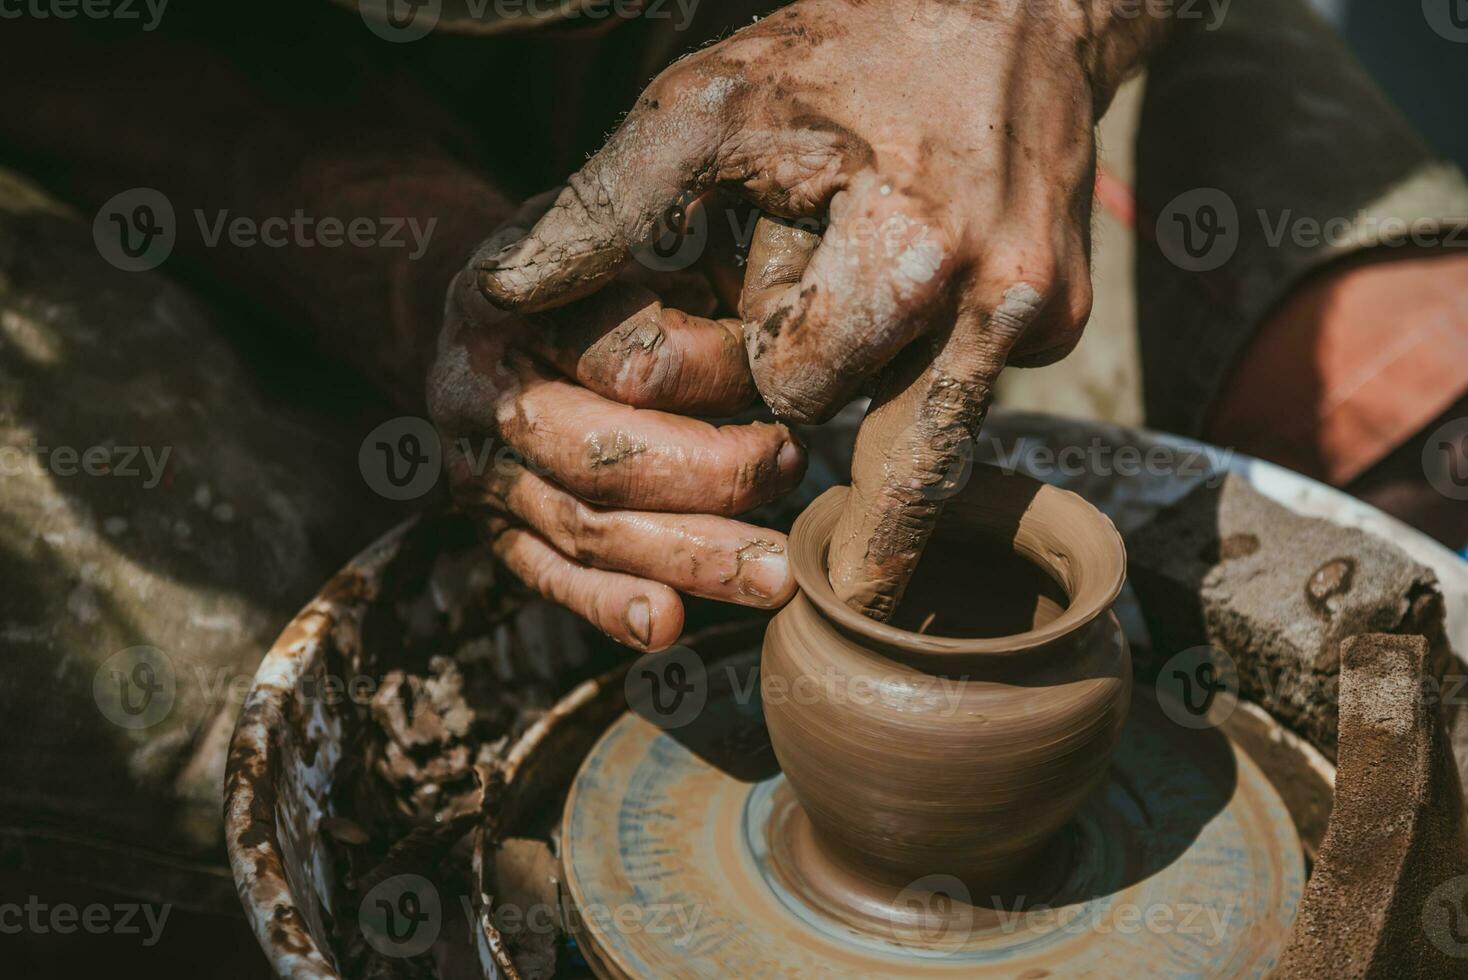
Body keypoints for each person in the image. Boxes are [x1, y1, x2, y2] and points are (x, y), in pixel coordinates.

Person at [0, 0, 1464, 953]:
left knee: (1421, 427)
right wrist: (371, 245)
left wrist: (1035, 28)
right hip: (182, 79)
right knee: (142, 736)